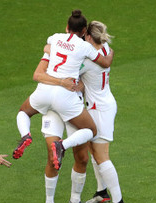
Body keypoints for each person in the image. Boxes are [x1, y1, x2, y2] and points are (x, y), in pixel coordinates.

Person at [12, 9, 113, 171]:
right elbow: (105, 62)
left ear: (67, 27)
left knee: (23, 112)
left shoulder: (56, 37)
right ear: (84, 31)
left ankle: (25, 135)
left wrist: (55, 50)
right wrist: (111, 53)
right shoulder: (84, 47)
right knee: (91, 130)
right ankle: (62, 145)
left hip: (43, 91)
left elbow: (47, 47)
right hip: (65, 96)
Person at [76, 21, 128, 203]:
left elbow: (71, 73)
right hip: (100, 106)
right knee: (94, 152)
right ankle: (102, 192)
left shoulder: (88, 60)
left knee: (101, 155)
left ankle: (118, 202)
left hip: (100, 110)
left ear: (89, 37)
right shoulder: (104, 48)